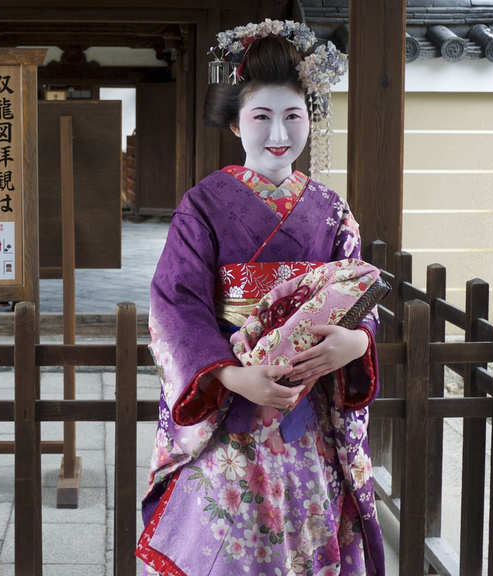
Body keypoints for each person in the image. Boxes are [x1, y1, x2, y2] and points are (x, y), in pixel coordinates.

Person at [136, 20, 384, 576]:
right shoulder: (204, 204)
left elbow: (359, 294)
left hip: (309, 399)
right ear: (234, 123)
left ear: (310, 119)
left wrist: (353, 343)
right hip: (233, 399)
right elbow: (176, 304)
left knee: (307, 530)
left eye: (293, 115)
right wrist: (228, 375)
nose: (279, 133)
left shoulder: (331, 210)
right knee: (227, 540)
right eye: (261, 116)